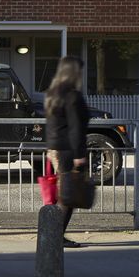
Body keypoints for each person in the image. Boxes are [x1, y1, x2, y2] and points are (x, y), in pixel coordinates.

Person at [44, 55, 91, 248]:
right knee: (68, 196)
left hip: (56, 148)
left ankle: (54, 234)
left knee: (64, 194)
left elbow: (54, 124)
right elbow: (75, 128)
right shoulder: (72, 95)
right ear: (74, 72)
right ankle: (56, 236)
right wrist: (79, 155)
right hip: (68, 150)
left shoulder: (53, 93)